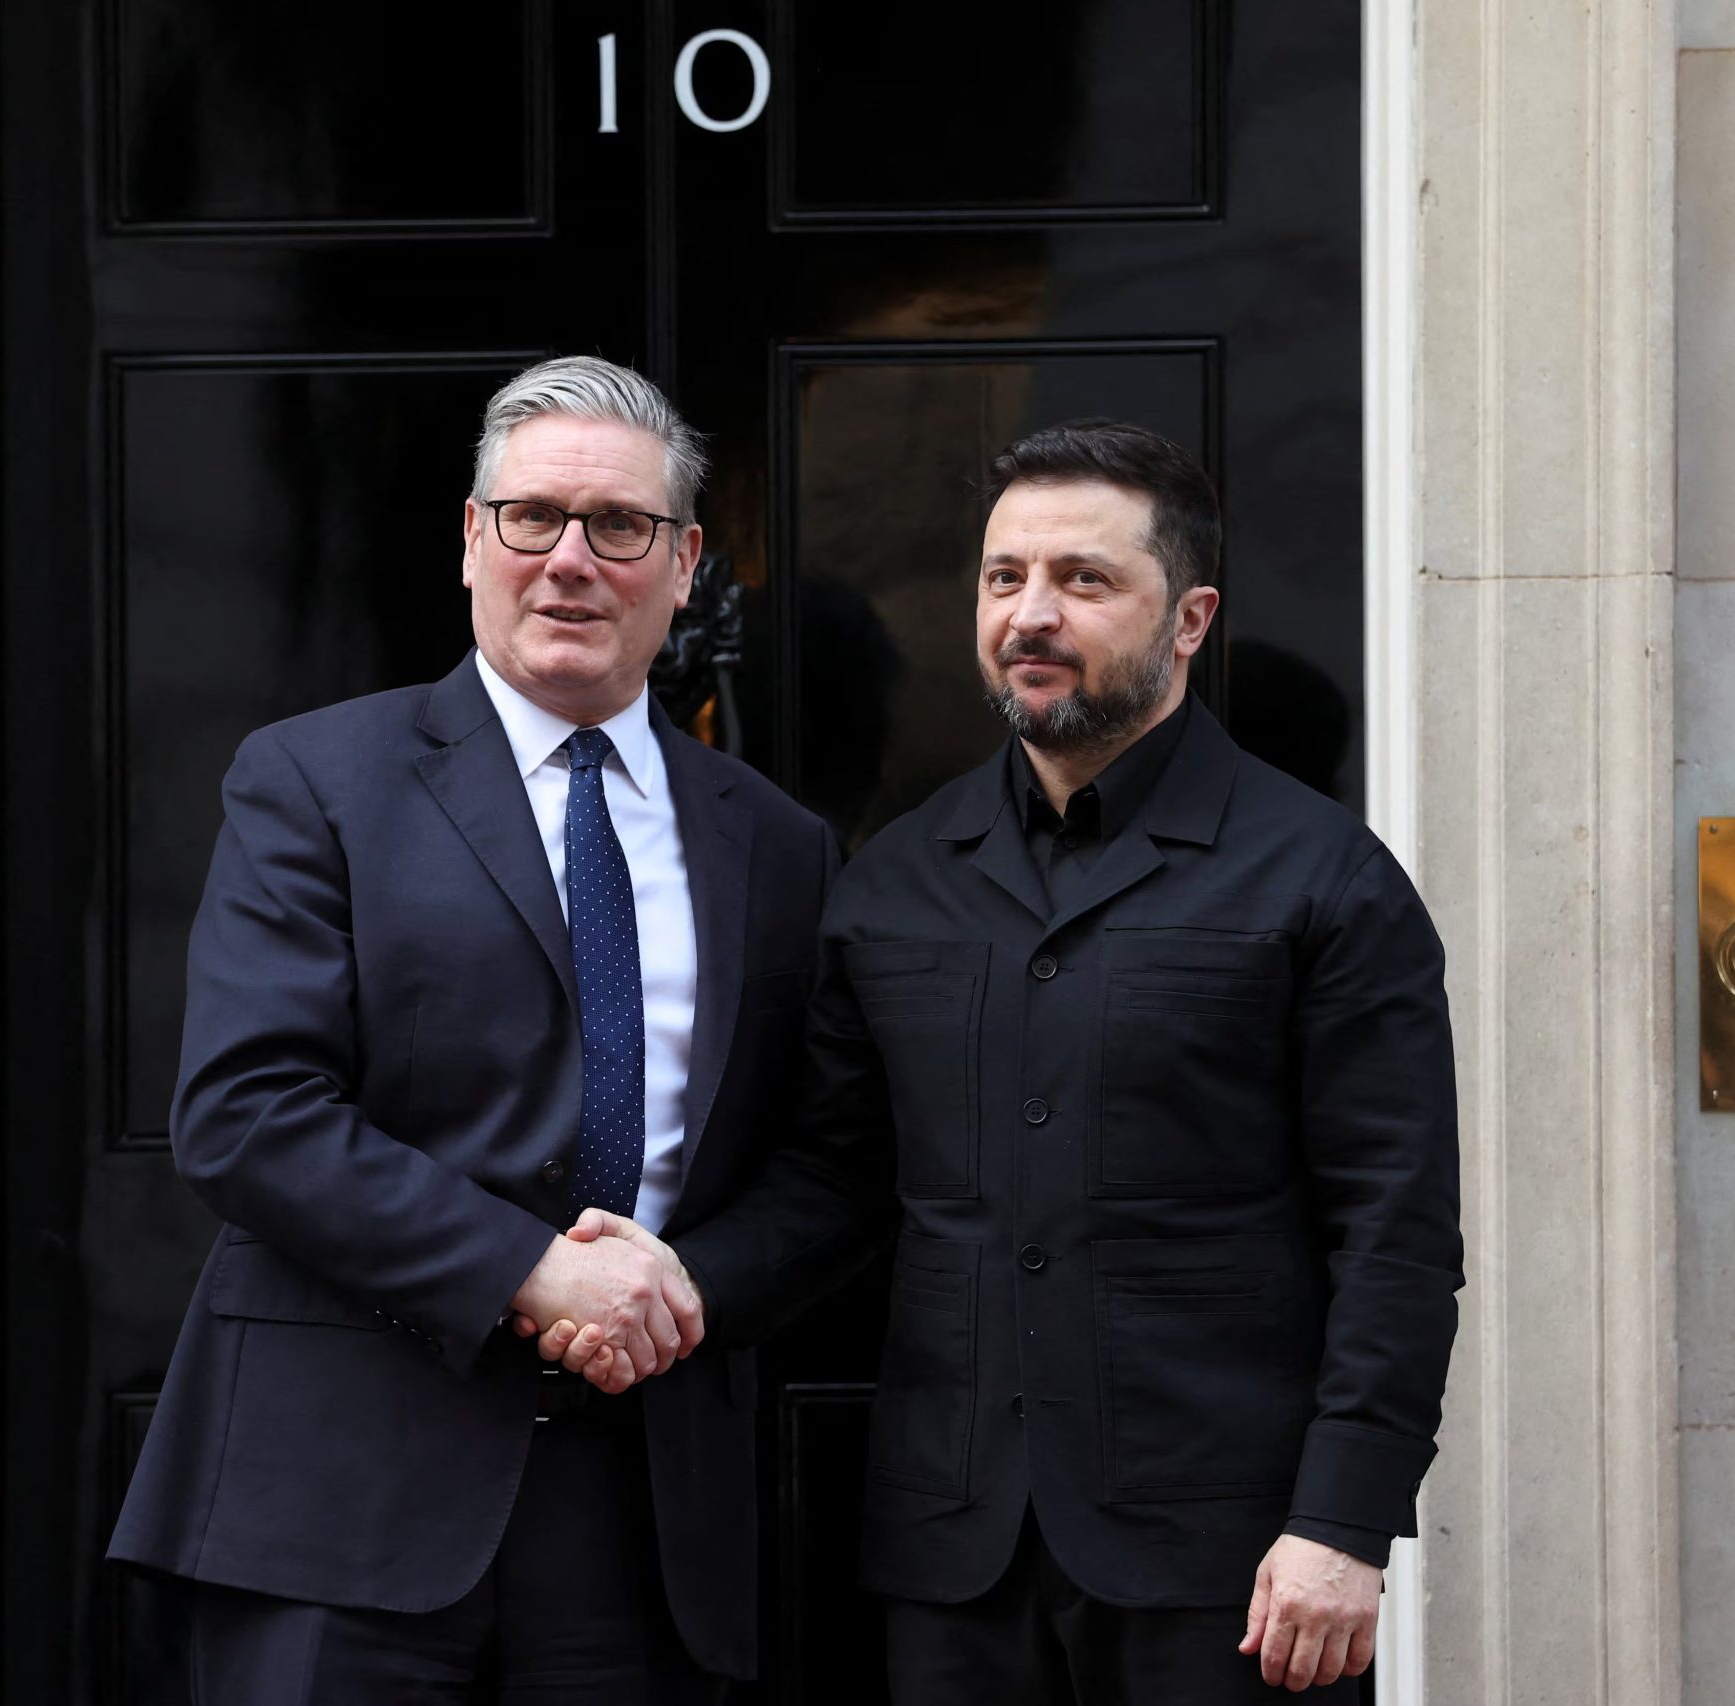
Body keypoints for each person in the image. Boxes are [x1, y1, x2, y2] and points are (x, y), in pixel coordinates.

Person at [543, 420, 1464, 1701]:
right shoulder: (896, 878)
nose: (1030, 613)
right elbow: (835, 1185)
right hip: (951, 1554)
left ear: (1189, 619)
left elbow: (1395, 1231)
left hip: (1230, 1559)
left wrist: (1343, 1519)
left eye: (1084, 579)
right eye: (1003, 576)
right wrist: (669, 1285)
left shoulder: (1323, 878)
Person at [108, 356, 835, 1700]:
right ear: (469, 538)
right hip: (341, 1498)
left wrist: (673, 1294)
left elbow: (821, 1163)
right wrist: (532, 1269)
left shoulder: (779, 845)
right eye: (532, 516)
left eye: (619, 526)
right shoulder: (315, 779)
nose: (570, 559)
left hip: (643, 1517)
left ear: (684, 565)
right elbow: (248, 1112)